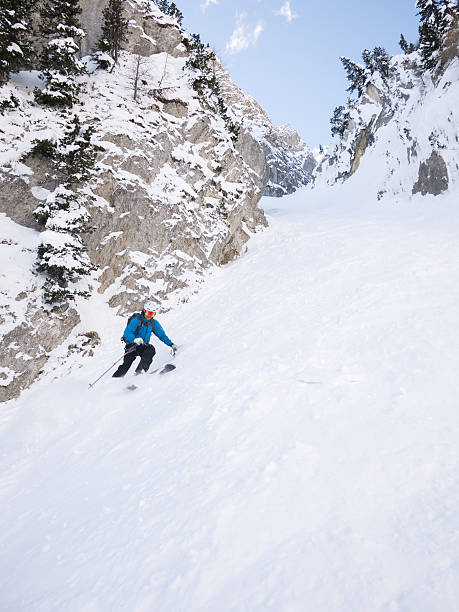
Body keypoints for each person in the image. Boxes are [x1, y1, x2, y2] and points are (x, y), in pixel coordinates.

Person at [113, 301, 177, 378]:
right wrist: (134, 339)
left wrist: (171, 344)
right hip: (132, 345)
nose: (149, 316)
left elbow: (162, 335)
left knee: (150, 350)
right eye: (148, 313)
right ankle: (115, 379)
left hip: (143, 346)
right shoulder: (136, 320)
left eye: (152, 314)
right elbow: (127, 333)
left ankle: (140, 373)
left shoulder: (153, 323)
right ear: (144, 311)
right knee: (126, 364)